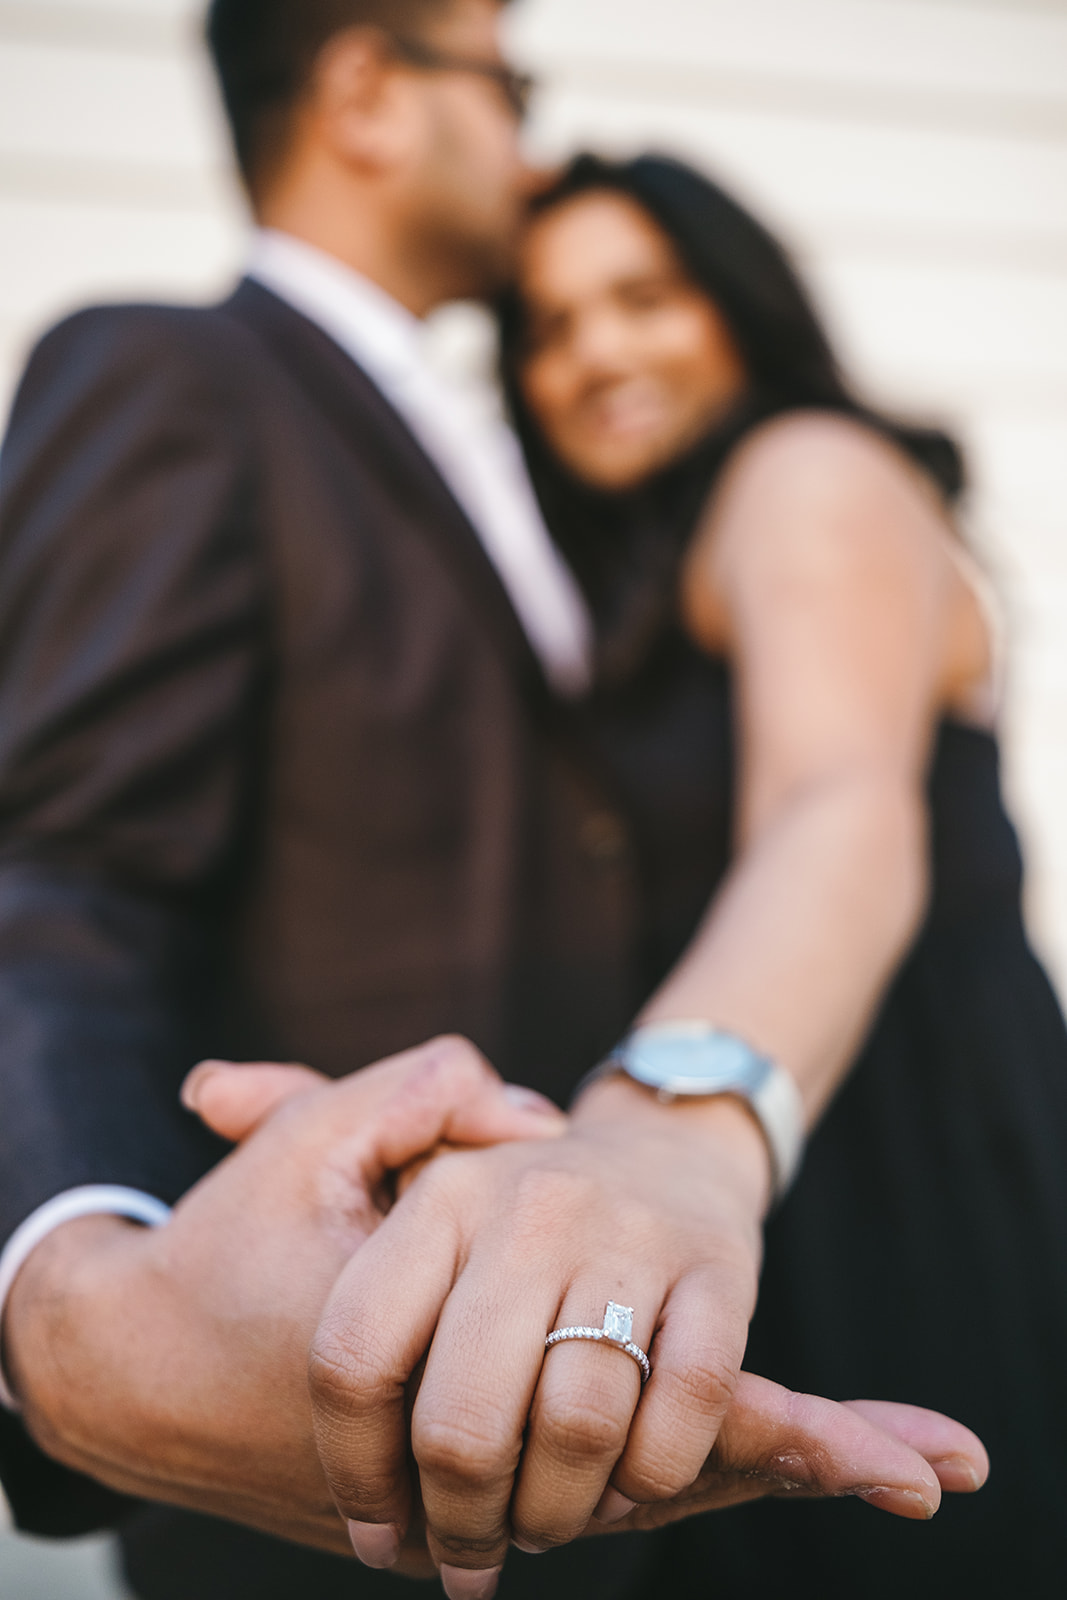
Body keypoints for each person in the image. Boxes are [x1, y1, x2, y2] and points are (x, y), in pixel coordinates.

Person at [0, 4, 989, 1598]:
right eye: (508, 85)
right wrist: (73, 1294)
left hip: (699, 1304)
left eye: (643, 300)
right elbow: (65, 879)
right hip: (346, 1424)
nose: (527, 148)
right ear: (370, 93)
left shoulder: (712, 488)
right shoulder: (171, 371)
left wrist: (663, 1137)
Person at [452, 151, 1067, 1595]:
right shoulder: (644, 560)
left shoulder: (807, 472)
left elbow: (834, 806)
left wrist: (665, 1125)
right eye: (546, 327)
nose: (597, 352)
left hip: (894, 1145)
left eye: (643, 298)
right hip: (784, 1152)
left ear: (737, 304)